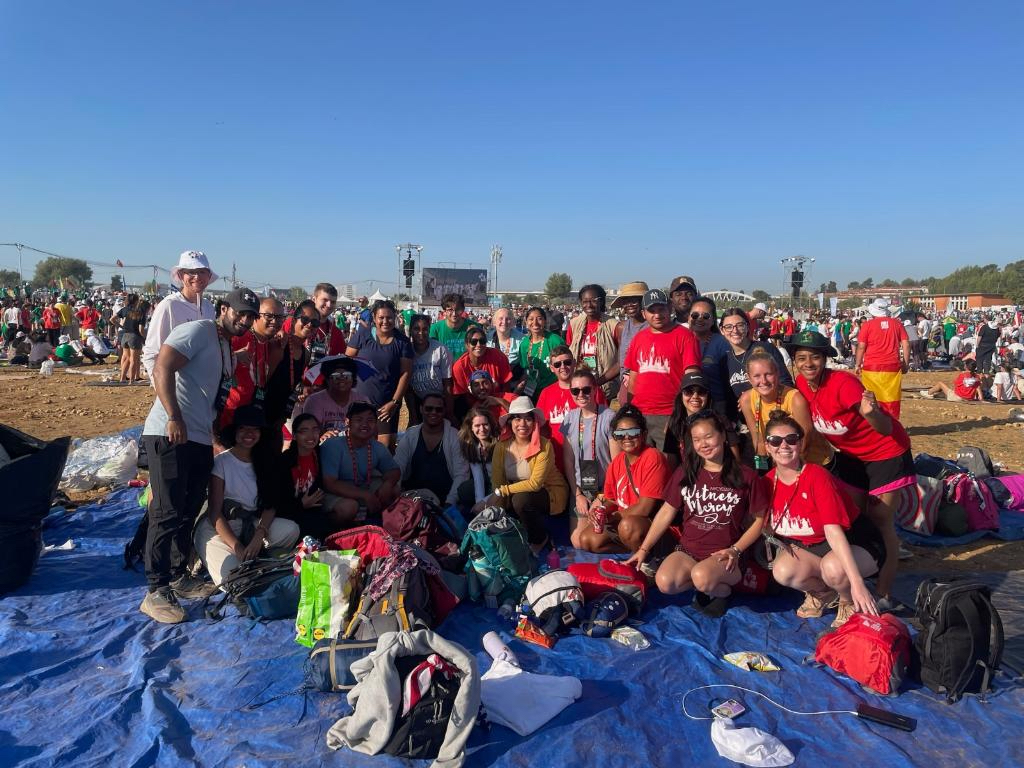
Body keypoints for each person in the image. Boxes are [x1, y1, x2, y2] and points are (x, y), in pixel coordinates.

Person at [139, 286, 259, 623]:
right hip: (171, 431)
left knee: (190, 508)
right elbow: (162, 367)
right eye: (241, 313)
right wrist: (174, 416)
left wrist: (238, 360)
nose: (246, 320)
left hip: (198, 436)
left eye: (251, 316)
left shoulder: (222, 343)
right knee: (167, 510)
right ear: (223, 308)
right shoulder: (199, 330)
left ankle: (178, 575)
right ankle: (156, 589)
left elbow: (206, 380)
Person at [786, 330, 913, 607]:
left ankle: (884, 591)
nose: (808, 363)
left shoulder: (843, 384)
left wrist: (871, 413)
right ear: (794, 361)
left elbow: (885, 428)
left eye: (815, 357)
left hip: (886, 453)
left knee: (880, 519)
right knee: (851, 515)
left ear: (825, 359)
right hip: (852, 456)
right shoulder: (802, 385)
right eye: (802, 358)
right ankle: (852, 575)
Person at [627, 410, 768, 617]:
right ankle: (709, 585)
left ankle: (723, 589)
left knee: (701, 576)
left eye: (709, 436)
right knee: (665, 582)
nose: (704, 444)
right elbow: (667, 511)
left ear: (722, 435)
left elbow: (760, 520)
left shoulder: (746, 476)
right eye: (697, 439)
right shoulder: (686, 472)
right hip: (689, 551)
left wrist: (736, 550)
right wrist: (644, 549)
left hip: (725, 554)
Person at [760, 413, 883, 627]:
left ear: (800, 442)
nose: (784, 446)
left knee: (833, 568)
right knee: (782, 570)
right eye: (775, 441)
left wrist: (857, 584)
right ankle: (824, 593)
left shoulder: (817, 476)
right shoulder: (767, 483)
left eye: (791, 439)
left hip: (854, 542)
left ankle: (847, 599)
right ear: (767, 446)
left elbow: (834, 532)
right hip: (811, 548)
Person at [193, 406, 300, 587]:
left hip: (251, 525)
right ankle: (213, 557)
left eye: (255, 429)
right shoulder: (221, 462)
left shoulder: (267, 460)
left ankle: (254, 553)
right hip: (220, 528)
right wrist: (237, 547)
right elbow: (215, 513)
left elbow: (270, 504)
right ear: (235, 431)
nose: (249, 433)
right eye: (243, 428)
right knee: (232, 579)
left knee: (291, 530)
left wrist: (259, 536)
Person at [474, 396, 568, 553]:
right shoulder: (502, 447)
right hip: (516, 491)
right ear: (510, 422)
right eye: (517, 418)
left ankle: (539, 539)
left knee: (520, 499)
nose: (522, 424)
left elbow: (535, 483)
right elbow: (497, 482)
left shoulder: (545, 445)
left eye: (528, 419)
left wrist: (501, 492)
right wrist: (488, 504)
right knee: (494, 509)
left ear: (534, 422)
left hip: (548, 492)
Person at [578, 405, 670, 555]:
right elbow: (611, 499)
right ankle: (635, 552)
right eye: (620, 434)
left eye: (633, 432)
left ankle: (650, 561)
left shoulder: (653, 457)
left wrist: (612, 517)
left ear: (644, 434)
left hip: (649, 522)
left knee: (627, 526)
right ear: (615, 437)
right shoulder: (617, 462)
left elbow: (645, 508)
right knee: (587, 539)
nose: (626, 437)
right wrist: (600, 511)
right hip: (624, 521)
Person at [623, 289, 701, 445]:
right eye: (651, 311)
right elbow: (633, 376)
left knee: (668, 462)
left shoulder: (685, 335)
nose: (657, 315)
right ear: (644, 313)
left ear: (670, 308)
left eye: (661, 309)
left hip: (670, 413)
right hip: (640, 413)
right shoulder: (639, 338)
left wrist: (683, 413)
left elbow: (692, 375)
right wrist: (629, 409)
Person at [739, 349, 832, 469]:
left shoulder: (794, 399)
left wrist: (787, 471)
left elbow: (804, 441)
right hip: (781, 462)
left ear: (777, 373)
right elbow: (759, 441)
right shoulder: (746, 400)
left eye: (768, 374)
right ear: (749, 378)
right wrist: (764, 470)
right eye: (757, 376)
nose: (763, 381)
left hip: (813, 461)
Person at [345, 299, 413, 450]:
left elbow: (406, 373)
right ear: (374, 318)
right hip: (360, 402)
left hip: (386, 406)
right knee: (357, 445)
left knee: (385, 448)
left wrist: (394, 402)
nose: (385, 321)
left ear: (395, 317)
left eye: (389, 317)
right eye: (381, 317)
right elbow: (347, 359)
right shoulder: (363, 334)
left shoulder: (402, 342)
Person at [271, 413, 352, 539]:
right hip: (290, 513)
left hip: (314, 509)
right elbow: (275, 503)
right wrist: (301, 504)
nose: (311, 436)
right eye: (304, 431)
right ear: (294, 436)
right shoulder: (284, 461)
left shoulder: (319, 453)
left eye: (315, 430)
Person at [319, 402, 402, 523]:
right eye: (359, 419)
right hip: (333, 493)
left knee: (393, 489)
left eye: (370, 420)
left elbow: (393, 470)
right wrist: (365, 495)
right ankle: (328, 529)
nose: (365, 424)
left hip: (362, 488)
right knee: (349, 508)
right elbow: (329, 483)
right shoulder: (333, 444)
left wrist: (388, 484)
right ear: (347, 422)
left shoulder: (376, 446)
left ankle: (382, 523)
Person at [142, 250, 217, 378]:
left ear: (209, 276)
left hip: (204, 389)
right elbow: (152, 353)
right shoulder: (169, 306)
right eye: (191, 272)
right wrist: (162, 391)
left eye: (202, 272)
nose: (197, 277)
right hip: (176, 388)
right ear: (181, 275)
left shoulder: (208, 307)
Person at [562, 368, 616, 542]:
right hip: (581, 489)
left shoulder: (609, 417)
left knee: (590, 540)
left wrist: (601, 498)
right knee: (577, 541)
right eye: (575, 391)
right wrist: (577, 495)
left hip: (605, 489)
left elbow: (617, 464)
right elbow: (568, 461)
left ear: (594, 389)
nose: (581, 394)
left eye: (586, 390)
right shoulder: (569, 418)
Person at [535, 345, 607, 470]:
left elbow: (605, 421)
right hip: (556, 462)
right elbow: (540, 428)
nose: (563, 367)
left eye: (567, 362)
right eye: (557, 364)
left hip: (588, 460)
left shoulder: (591, 390)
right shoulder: (546, 393)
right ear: (552, 368)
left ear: (574, 363)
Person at [394, 392, 470, 507]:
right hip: (413, 499)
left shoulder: (455, 437)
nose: (433, 412)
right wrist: (396, 496)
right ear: (421, 409)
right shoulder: (410, 435)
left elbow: (461, 474)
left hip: (445, 500)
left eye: (438, 409)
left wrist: (450, 502)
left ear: (444, 411)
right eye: (429, 409)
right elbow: (398, 467)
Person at [664, 371, 741, 469]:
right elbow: (672, 462)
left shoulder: (720, 420)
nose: (695, 396)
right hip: (688, 477)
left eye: (701, 391)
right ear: (681, 395)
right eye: (689, 391)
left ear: (708, 396)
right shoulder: (675, 423)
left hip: (718, 476)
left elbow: (736, 459)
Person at [719, 307, 792, 405]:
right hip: (744, 419)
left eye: (740, 325)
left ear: (748, 327)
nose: (735, 330)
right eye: (728, 327)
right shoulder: (725, 360)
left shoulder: (766, 349)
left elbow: (786, 382)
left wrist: (752, 396)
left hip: (772, 413)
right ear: (722, 330)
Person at [855, 299, 911, 419]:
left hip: (872, 366)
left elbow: (861, 347)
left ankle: (872, 425)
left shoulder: (868, 325)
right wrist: (905, 364)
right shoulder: (897, 324)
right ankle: (891, 425)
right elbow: (906, 344)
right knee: (891, 398)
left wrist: (857, 364)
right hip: (892, 366)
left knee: (871, 398)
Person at [565, 284, 621, 401]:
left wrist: (597, 382)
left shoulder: (613, 326)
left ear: (601, 301)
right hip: (579, 386)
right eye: (585, 301)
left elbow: (621, 362)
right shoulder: (574, 324)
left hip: (605, 386)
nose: (589, 305)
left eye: (593, 301)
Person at [452, 325, 513, 421]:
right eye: (473, 342)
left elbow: (506, 387)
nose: (478, 345)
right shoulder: (459, 367)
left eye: (482, 341)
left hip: (497, 402)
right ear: (467, 345)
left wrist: (499, 402)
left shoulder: (498, 357)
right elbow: (461, 397)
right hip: (472, 408)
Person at [299, 355, 370, 438]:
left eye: (347, 375)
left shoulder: (362, 401)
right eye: (336, 376)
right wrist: (322, 435)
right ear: (327, 380)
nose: (342, 379)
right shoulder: (314, 401)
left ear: (353, 379)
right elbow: (310, 431)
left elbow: (370, 430)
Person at [689, 296, 733, 416]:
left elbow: (728, 381)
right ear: (688, 318)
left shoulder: (722, 343)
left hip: (716, 404)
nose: (700, 319)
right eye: (695, 315)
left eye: (706, 316)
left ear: (713, 320)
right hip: (688, 403)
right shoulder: (681, 339)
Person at [407, 314, 454, 426]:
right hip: (419, 401)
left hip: (439, 400)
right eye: (416, 329)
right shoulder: (406, 351)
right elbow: (407, 389)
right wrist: (412, 415)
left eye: (425, 329)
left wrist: (450, 413)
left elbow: (447, 383)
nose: (421, 333)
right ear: (410, 330)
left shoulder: (440, 349)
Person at [610, 280, 648, 404]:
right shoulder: (624, 327)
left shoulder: (653, 327)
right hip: (626, 386)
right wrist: (597, 381)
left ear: (644, 302)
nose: (630, 304)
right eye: (626, 301)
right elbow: (621, 363)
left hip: (646, 387)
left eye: (635, 300)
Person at [517, 306, 565, 400]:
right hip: (531, 391)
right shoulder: (524, 344)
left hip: (553, 391)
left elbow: (566, 367)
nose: (535, 323)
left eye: (539, 319)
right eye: (531, 319)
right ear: (526, 322)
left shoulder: (555, 341)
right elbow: (525, 370)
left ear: (545, 321)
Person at [457, 407, 499, 508]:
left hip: (501, 485)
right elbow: (478, 477)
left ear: (491, 425)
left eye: (485, 424)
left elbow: (502, 482)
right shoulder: (472, 446)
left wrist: (484, 502)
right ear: (471, 427)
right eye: (477, 425)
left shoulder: (500, 443)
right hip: (488, 481)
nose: (482, 429)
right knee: (463, 490)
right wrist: (479, 503)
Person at [430, 293, 479, 361]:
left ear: (463, 310)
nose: (454, 313)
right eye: (450, 310)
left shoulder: (474, 327)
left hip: (466, 369)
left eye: (458, 309)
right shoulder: (435, 329)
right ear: (444, 311)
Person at [117, 294, 148, 384]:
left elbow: (112, 319)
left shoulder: (126, 310)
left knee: (126, 358)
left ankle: (122, 378)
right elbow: (140, 329)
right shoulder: (140, 313)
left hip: (125, 335)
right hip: (134, 336)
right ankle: (132, 380)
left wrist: (120, 326)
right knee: (133, 359)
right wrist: (144, 338)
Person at [918, 359, 983, 402]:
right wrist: (981, 399)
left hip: (957, 397)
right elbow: (978, 389)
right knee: (948, 392)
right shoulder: (977, 377)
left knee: (940, 384)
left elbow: (955, 384)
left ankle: (929, 393)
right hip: (968, 399)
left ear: (965, 366)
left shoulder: (962, 375)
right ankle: (937, 394)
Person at [489, 307, 524, 378]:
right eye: (500, 318)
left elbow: (526, 367)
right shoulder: (486, 339)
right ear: (494, 322)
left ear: (513, 322)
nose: (504, 322)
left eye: (508, 319)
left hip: (515, 383)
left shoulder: (522, 340)